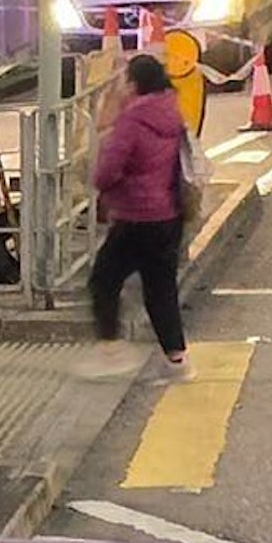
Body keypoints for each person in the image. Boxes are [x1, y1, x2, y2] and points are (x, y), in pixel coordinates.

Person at [81, 52, 191, 381]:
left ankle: (111, 351)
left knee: (103, 278)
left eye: (127, 80)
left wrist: (99, 183)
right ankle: (177, 360)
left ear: (136, 83)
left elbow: (109, 170)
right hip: (169, 214)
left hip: (137, 216)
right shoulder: (171, 113)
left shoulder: (133, 120)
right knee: (160, 288)